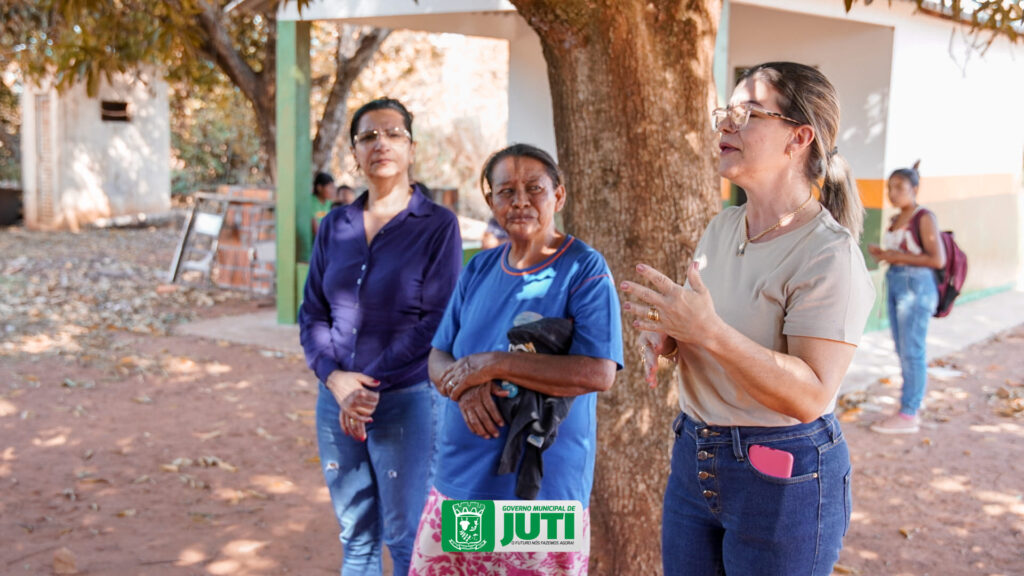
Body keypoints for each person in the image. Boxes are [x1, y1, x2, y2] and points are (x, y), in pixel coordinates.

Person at [621, 62, 875, 575]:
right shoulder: (722, 226)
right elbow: (705, 330)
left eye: (746, 113)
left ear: (798, 137)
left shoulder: (829, 255)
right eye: (725, 113)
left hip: (783, 476)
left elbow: (809, 396)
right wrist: (671, 337)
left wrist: (707, 332)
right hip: (695, 455)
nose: (725, 126)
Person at [409, 144, 623, 575]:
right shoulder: (480, 268)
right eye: (506, 191)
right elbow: (438, 355)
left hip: (538, 492)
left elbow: (598, 372)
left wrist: (494, 364)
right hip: (464, 481)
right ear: (490, 202)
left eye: (534, 189)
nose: (520, 200)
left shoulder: (584, 269)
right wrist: (466, 388)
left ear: (558, 196)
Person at [299, 98, 463, 576]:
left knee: (407, 534)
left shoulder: (437, 226)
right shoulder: (335, 225)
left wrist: (364, 386)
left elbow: (435, 320)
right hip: (335, 403)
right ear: (354, 152)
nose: (381, 144)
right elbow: (313, 312)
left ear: (411, 148)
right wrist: (334, 380)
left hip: (405, 401)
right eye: (369, 136)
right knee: (356, 537)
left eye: (393, 134)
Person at [867, 162, 944, 434]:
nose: (893, 192)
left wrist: (893, 256)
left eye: (900, 187)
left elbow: (937, 259)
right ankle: (907, 406)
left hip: (916, 286)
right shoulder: (896, 218)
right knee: (903, 350)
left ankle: (909, 414)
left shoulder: (923, 217)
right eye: (890, 187)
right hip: (897, 282)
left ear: (914, 189)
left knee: (913, 352)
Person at [312, 172, 338, 237]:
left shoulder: (329, 203)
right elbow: (316, 230)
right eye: (330, 187)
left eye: (333, 187)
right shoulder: (310, 202)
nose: (333, 191)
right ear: (319, 188)